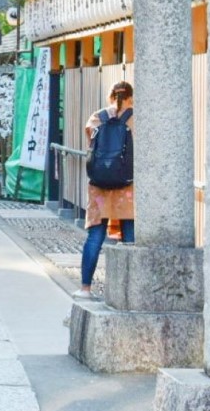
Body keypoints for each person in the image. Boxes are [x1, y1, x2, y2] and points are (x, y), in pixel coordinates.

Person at [76, 80, 135, 298]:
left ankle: (85, 288)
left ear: (111, 96)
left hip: (100, 186)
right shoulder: (135, 119)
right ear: (130, 97)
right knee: (130, 237)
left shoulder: (96, 118)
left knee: (95, 237)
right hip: (127, 186)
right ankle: (129, 292)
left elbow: (92, 147)